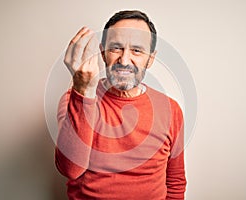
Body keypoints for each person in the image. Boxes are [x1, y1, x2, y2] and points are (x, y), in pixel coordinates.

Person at [55, 10, 187, 200]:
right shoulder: (74, 99)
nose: (124, 61)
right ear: (102, 52)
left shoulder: (171, 110)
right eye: (116, 48)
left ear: (150, 58)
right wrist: (84, 91)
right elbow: (70, 169)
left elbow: (175, 181)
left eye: (137, 50)